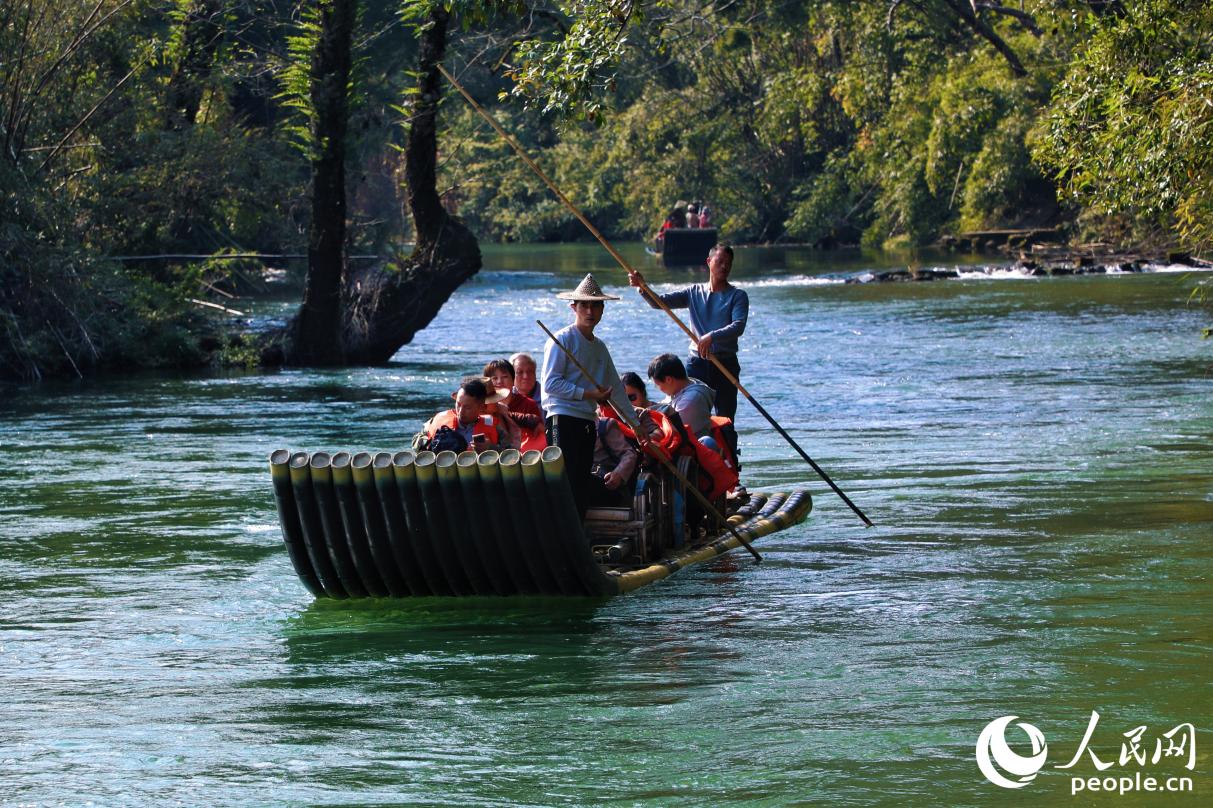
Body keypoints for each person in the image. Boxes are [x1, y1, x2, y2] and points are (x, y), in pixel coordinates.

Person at [541, 273, 633, 519]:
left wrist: (636, 426)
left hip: (586, 421)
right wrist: (588, 393)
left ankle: (578, 535)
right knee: (565, 479)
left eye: (595, 305)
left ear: (603, 309)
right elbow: (550, 384)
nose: (589, 311)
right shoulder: (561, 340)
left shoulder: (600, 347)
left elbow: (616, 388)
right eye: (584, 305)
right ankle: (562, 535)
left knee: (581, 480)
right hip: (563, 417)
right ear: (574, 307)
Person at [627, 243, 747, 423]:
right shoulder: (694, 292)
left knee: (725, 418)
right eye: (720, 261)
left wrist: (711, 336)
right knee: (687, 412)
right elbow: (659, 303)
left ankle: (727, 448)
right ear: (709, 262)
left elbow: (738, 326)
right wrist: (642, 287)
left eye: (728, 263)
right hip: (697, 363)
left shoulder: (737, 296)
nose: (724, 267)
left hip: (725, 363)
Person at [412, 377, 519, 453]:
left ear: (481, 407)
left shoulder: (495, 427)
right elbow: (415, 441)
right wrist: (431, 444)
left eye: (467, 407)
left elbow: (512, 454)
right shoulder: (439, 420)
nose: (461, 411)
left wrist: (491, 448)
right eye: (458, 404)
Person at [647, 353, 717, 450]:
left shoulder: (691, 401)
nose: (658, 388)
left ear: (668, 379)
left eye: (657, 384)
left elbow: (672, 430)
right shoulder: (681, 387)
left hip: (693, 449)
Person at [483, 358, 546, 451]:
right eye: (494, 378)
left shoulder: (529, 404)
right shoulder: (483, 406)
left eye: (505, 377)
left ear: (513, 380)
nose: (500, 381)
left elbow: (537, 435)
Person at [588, 417, 639, 507]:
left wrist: (618, 473)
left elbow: (628, 454)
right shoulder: (562, 428)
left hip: (606, 484)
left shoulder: (604, 425)